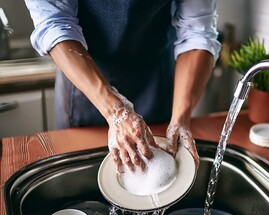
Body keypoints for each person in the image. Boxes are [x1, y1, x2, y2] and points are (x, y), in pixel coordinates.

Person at [24, 0, 220, 172]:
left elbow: (197, 32)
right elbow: (54, 24)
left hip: (156, 79)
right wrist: (115, 111)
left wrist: (180, 119)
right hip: (84, 81)